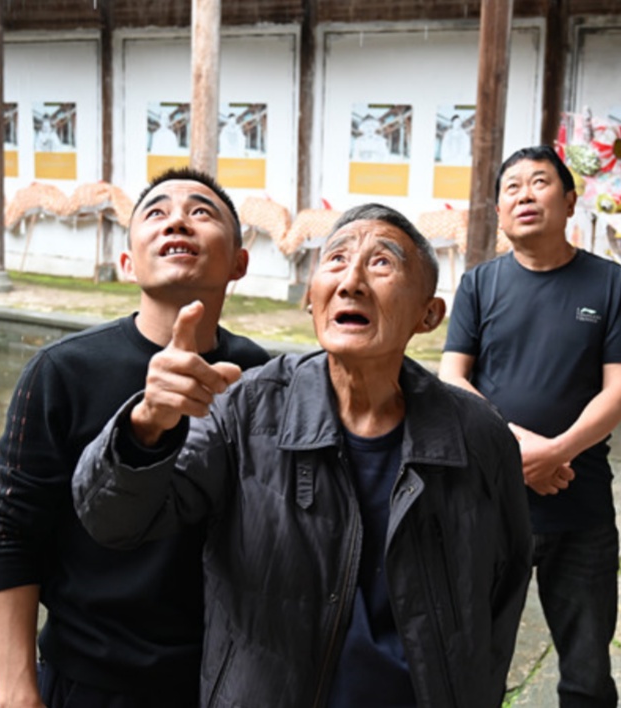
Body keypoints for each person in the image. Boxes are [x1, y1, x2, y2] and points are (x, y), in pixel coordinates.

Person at [72, 203, 534, 707]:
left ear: (429, 314)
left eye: (382, 263)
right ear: (311, 301)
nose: (351, 280)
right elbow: (112, 520)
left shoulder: (478, 435)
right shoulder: (244, 409)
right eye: (335, 260)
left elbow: (504, 586)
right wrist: (147, 425)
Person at [0, 167, 272, 708]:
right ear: (127, 262)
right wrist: (17, 691)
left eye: (202, 212)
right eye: (156, 213)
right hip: (94, 680)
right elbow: (11, 531)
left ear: (239, 262)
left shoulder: (259, 377)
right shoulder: (62, 372)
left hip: (226, 679)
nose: (178, 220)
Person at [439, 145, 621, 707]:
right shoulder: (480, 284)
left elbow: (620, 389)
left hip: (580, 505)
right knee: (475, 657)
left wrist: (558, 451)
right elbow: (453, 377)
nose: (524, 195)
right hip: (490, 503)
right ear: (500, 211)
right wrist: (519, 451)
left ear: (570, 201)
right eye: (511, 188)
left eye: (539, 183)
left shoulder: (610, 284)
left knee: (586, 670)